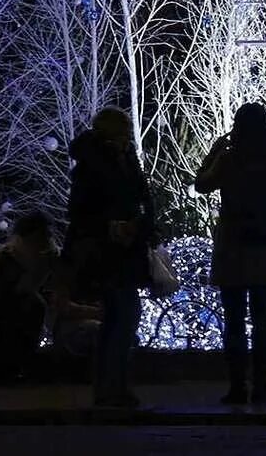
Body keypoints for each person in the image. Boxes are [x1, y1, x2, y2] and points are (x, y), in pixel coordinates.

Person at [194, 102, 266, 408]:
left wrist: (215, 150)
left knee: (234, 319)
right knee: (264, 319)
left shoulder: (228, 159)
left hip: (233, 245)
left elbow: (201, 185)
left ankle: (237, 386)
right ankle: (261, 385)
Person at [66, 106, 154, 410]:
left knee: (118, 318)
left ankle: (109, 387)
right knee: (123, 317)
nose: (127, 138)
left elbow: (139, 198)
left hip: (120, 250)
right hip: (110, 253)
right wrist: (114, 226)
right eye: (124, 132)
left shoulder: (117, 160)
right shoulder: (99, 165)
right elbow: (80, 212)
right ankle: (112, 387)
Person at [0, 212, 61, 385]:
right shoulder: (2, 258)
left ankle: (18, 366)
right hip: (5, 312)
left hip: (31, 312)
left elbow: (46, 289)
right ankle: (6, 368)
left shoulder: (49, 257)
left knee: (32, 307)